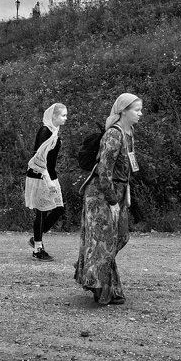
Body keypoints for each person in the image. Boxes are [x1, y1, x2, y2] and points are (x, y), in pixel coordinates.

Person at [74, 93, 142, 306]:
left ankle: (100, 282)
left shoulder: (129, 132)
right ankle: (100, 288)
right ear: (123, 111)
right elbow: (104, 171)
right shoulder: (113, 135)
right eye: (136, 110)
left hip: (118, 191)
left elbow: (125, 169)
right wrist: (112, 201)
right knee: (103, 241)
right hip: (101, 194)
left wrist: (125, 194)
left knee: (120, 237)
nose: (140, 114)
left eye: (140, 110)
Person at [25, 103, 68, 261]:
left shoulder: (55, 132)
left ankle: (36, 237)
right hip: (39, 176)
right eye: (63, 115)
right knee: (41, 212)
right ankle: (37, 249)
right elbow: (37, 157)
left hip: (51, 175)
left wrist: (51, 178)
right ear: (54, 116)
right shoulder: (45, 131)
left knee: (59, 208)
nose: (65, 118)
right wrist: (46, 178)